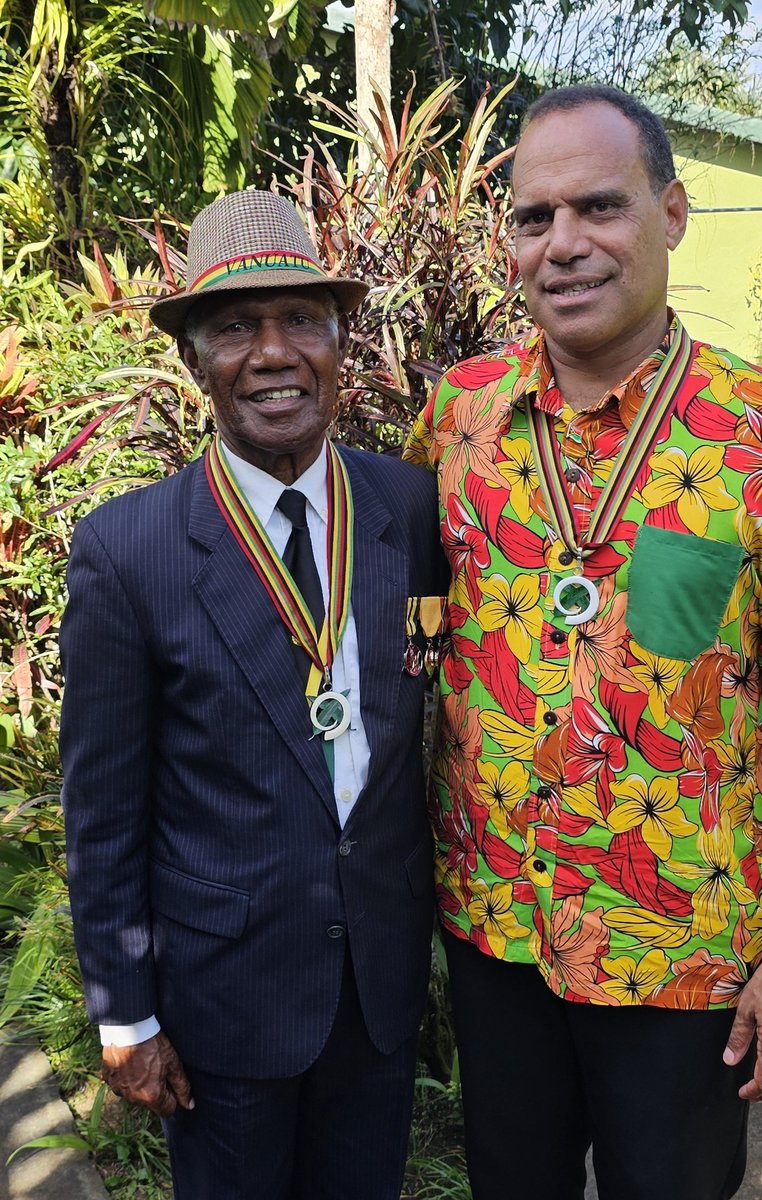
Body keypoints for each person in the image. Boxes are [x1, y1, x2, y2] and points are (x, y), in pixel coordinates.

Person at [403, 85, 762, 1200]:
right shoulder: (460, 418)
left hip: (681, 957)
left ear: (669, 215)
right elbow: (416, 633)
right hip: (495, 936)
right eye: (534, 218)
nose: (563, 244)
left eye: (599, 207)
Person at [60, 189, 448, 1200]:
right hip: (225, 999)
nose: (274, 353)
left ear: (338, 338)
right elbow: (104, 807)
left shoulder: (408, 508)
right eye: (236, 326)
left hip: (376, 985)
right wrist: (126, 1013)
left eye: (301, 320)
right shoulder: (128, 551)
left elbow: (423, 682)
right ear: (195, 358)